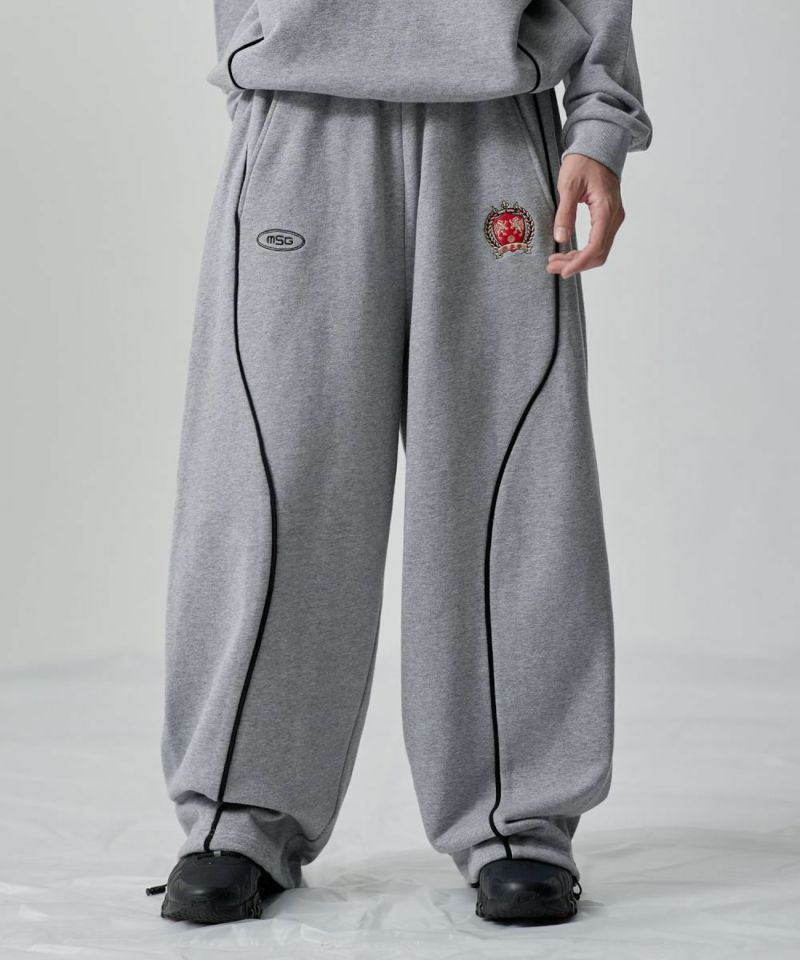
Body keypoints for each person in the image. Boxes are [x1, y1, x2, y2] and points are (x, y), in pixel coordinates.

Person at [148, 0, 652, 925]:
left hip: (492, 124)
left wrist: (601, 119)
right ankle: (239, 814)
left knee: (510, 482)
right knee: (271, 481)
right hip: (303, 117)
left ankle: (518, 819)